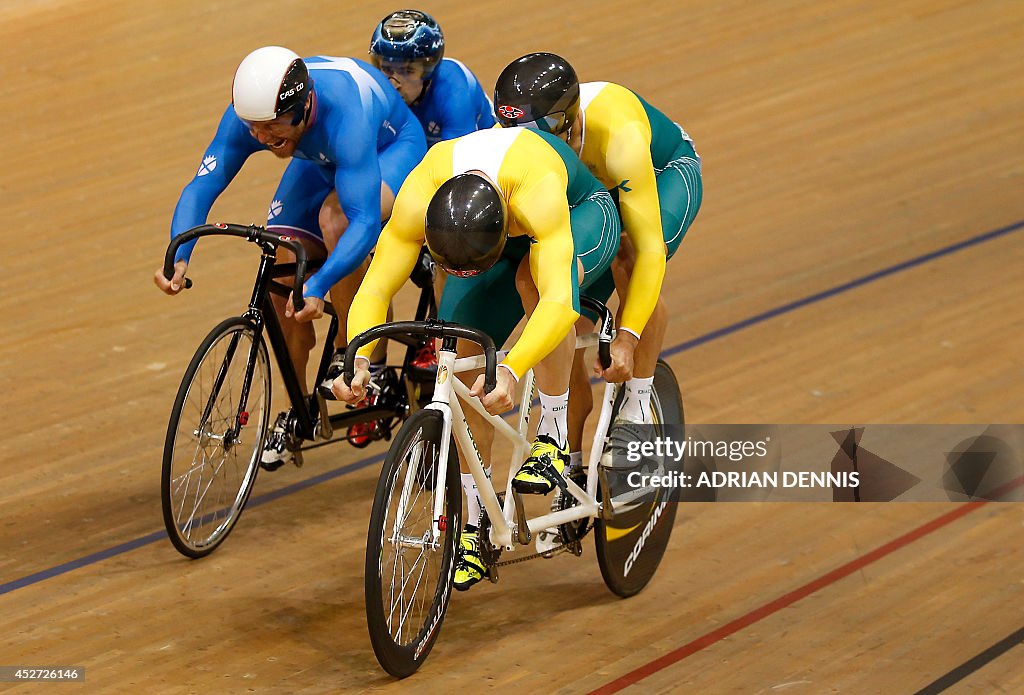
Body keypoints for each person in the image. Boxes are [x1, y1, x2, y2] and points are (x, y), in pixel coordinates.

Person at [332, 126, 621, 590]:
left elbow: (559, 304)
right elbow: (377, 285)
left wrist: (511, 367)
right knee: (459, 346)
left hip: (579, 215)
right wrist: (360, 357)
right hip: (484, 236)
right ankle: (476, 521)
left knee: (535, 284)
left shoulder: (537, 190)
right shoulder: (420, 195)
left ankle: (553, 435)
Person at [154, 46, 427, 467]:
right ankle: (299, 408)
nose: (261, 138)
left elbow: (364, 223)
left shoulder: (345, 114)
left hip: (389, 149)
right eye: (254, 129)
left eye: (271, 128)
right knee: (283, 264)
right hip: (318, 158)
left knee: (335, 220)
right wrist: (180, 252)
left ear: (303, 107)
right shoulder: (253, 118)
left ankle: (352, 350)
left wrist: (318, 285)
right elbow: (201, 187)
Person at [493, 52, 703, 551]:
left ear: (565, 124)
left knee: (630, 258)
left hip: (662, 173)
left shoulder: (618, 135)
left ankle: (636, 404)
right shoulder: (526, 132)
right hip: (585, 193)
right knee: (547, 293)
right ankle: (567, 450)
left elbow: (652, 251)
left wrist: (627, 338)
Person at [369, 10, 495, 147]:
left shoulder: (455, 93)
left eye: (407, 71)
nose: (394, 84)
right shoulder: (375, 88)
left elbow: (460, 162)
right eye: (387, 69)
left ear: (429, 70)